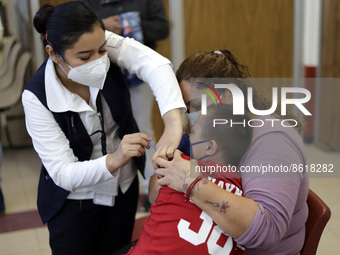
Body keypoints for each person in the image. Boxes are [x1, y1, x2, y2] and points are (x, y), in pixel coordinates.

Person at [22, 2, 185, 255]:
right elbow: (63, 172)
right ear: (53, 53)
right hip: (74, 201)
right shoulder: (36, 96)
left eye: (102, 51)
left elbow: (156, 65)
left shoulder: (99, 41)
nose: (99, 62)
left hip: (123, 189)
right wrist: (115, 159)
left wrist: (173, 124)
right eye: (85, 57)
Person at [151, 49, 309, 255]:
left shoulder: (274, 142)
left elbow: (267, 230)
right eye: (188, 109)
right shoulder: (207, 133)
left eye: (198, 105)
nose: (192, 116)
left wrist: (191, 183)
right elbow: (156, 195)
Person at [114, 104, 251, 255]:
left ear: (210, 147)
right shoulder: (244, 191)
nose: (188, 137)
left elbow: (154, 195)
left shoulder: (180, 165)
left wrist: (163, 160)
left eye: (192, 132)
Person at [84, 0, 170, 204]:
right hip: (104, 76)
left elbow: (162, 28)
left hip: (139, 75)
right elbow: (76, 28)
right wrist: (101, 24)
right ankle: (114, 186)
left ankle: (154, 186)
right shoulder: (87, 3)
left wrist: (128, 23)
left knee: (143, 127)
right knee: (108, 128)